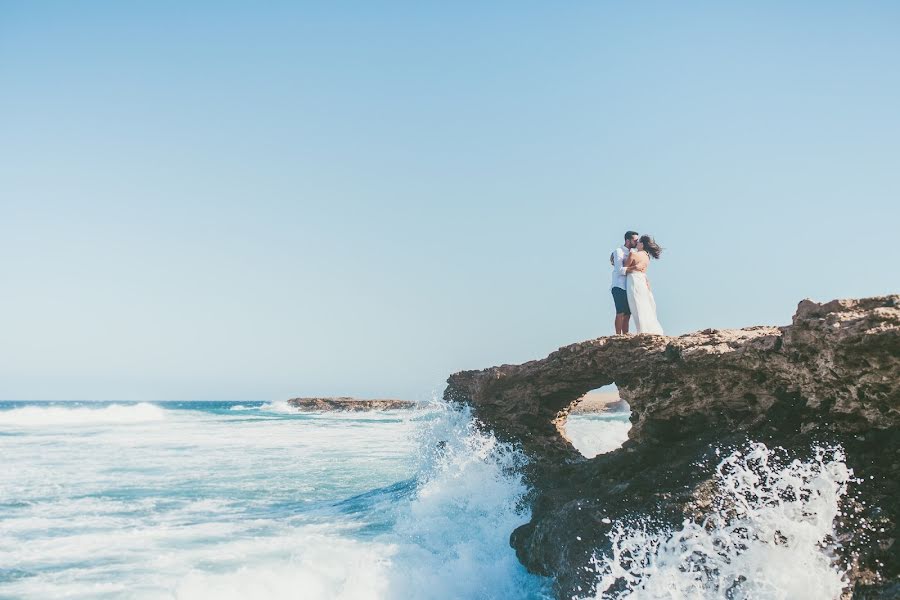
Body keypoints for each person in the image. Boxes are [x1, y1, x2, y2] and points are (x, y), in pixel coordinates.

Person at [623, 235, 664, 335]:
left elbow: (624, 269)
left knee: (636, 305)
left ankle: (642, 330)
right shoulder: (647, 257)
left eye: (638, 242)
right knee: (644, 305)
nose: (636, 244)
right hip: (642, 279)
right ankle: (648, 329)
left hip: (633, 280)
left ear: (642, 244)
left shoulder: (633, 254)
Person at [610, 231, 639, 334]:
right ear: (628, 240)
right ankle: (618, 335)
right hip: (619, 286)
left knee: (628, 314)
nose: (637, 242)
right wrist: (635, 268)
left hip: (629, 287)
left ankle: (626, 335)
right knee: (620, 312)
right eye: (635, 240)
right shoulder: (619, 251)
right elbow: (619, 270)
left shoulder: (634, 252)